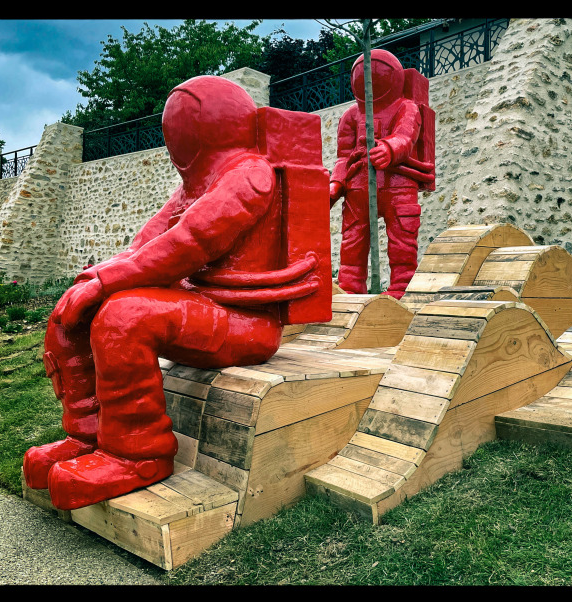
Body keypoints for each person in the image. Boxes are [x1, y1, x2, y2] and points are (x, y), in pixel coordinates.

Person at [23, 76, 322, 510]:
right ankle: (86, 434)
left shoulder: (250, 174)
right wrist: (94, 279)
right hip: (206, 312)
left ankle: (139, 454)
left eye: (181, 124)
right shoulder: (193, 186)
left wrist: (106, 282)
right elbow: (146, 242)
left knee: (124, 317)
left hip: (248, 325)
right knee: (69, 314)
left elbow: (189, 243)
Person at [330, 49, 434, 299]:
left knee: (402, 239)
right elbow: (344, 156)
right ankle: (350, 286)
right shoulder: (350, 115)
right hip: (357, 186)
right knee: (352, 239)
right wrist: (335, 183)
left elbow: (406, 137)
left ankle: (402, 287)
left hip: (399, 183)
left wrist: (389, 148)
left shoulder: (406, 107)